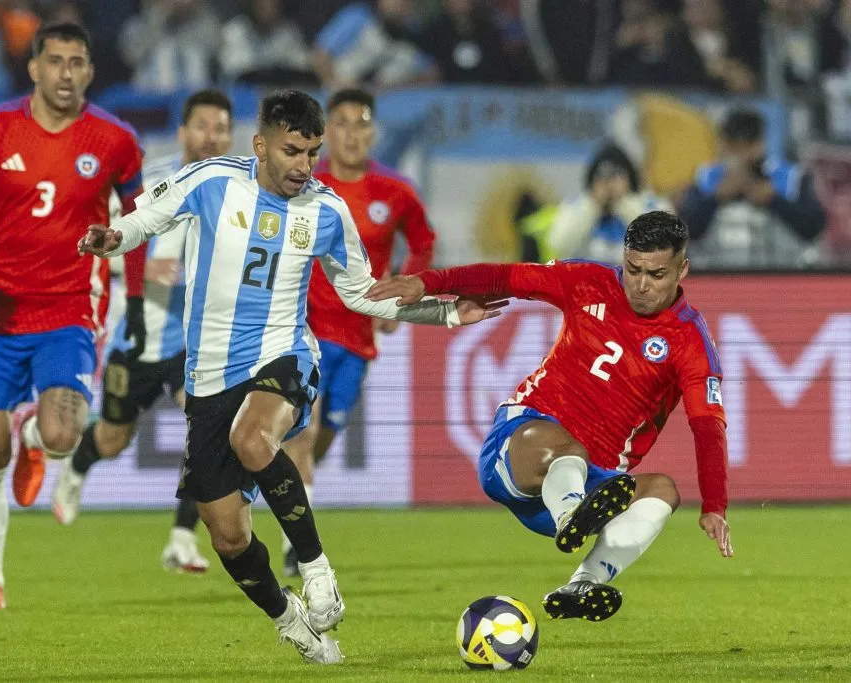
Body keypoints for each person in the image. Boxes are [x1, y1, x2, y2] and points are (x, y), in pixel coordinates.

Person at [78, 90, 499, 663]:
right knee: (226, 533)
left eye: (312, 152)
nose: (304, 165)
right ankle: (288, 617)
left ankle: (316, 568)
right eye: (292, 151)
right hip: (208, 378)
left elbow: (362, 293)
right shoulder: (211, 180)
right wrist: (111, 239)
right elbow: (145, 218)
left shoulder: (327, 212)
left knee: (253, 438)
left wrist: (446, 311)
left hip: (285, 355)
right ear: (261, 145)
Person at [365, 210, 733, 622]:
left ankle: (582, 584)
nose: (642, 285)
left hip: (591, 482)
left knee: (662, 490)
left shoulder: (691, 341)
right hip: (522, 448)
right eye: (633, 269)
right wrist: (426, 282)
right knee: (560, 448)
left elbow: (707, 426)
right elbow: (506, 276)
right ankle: (572, 513)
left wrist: (714, 504)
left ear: (682, 269)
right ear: (624, 258)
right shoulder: (587, 280)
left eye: (657, 274)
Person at [0, 22, 148, 613]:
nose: (66, 74)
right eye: (55, 61)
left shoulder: (115, 141)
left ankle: (35, 435)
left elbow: (141, 220)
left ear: (91, 72)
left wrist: (141, 298)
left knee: (61, 434)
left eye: (78, 62)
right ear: (33, 68)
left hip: (71, 308)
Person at [52, 90, 235, 578]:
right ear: (183, 132)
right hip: (139, 337)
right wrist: (151, 270)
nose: (210, 137)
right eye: (201, 126)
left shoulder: (240, 190)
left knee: (210, 432)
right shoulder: (150, 181)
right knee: (113, 439)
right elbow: (106, 245)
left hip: (196, 344)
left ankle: (181, 538)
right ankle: (76, 468)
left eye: (220, 128)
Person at [281, 87, 435, 576]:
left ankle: (291, 499)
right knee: (302, 433)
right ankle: (298, 547)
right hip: (304, 328)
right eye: (340, 123)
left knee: (324, 436)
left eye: (359, 123)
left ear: (372, 132)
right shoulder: (305, 185)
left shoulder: (395, 192)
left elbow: (424, 242)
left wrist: (401, 293)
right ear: (328, 134)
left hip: (358, 338)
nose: (350, 133)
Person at [678, 107, 826, 269]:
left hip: (782, 275)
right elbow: (684, 233)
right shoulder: (705, 179)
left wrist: (775, 201)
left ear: (760, 144)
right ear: (723, 145)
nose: (740, 156)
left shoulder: (791, 177)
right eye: (733, 147)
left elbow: (813, 228)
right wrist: (714, 199)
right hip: (718, 277)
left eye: (747, 146)